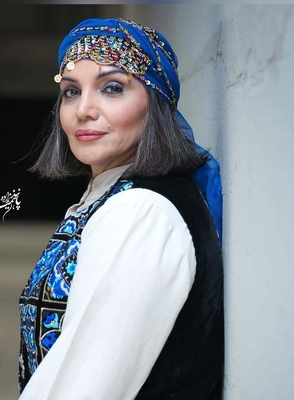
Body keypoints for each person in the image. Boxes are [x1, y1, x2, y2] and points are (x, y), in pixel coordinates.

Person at [18, 17, 224, 400]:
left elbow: (87, 389)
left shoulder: (140, 213)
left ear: (155, 103)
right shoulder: (113, 195)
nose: (84, 109)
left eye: (112, 88)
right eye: (70, 91)